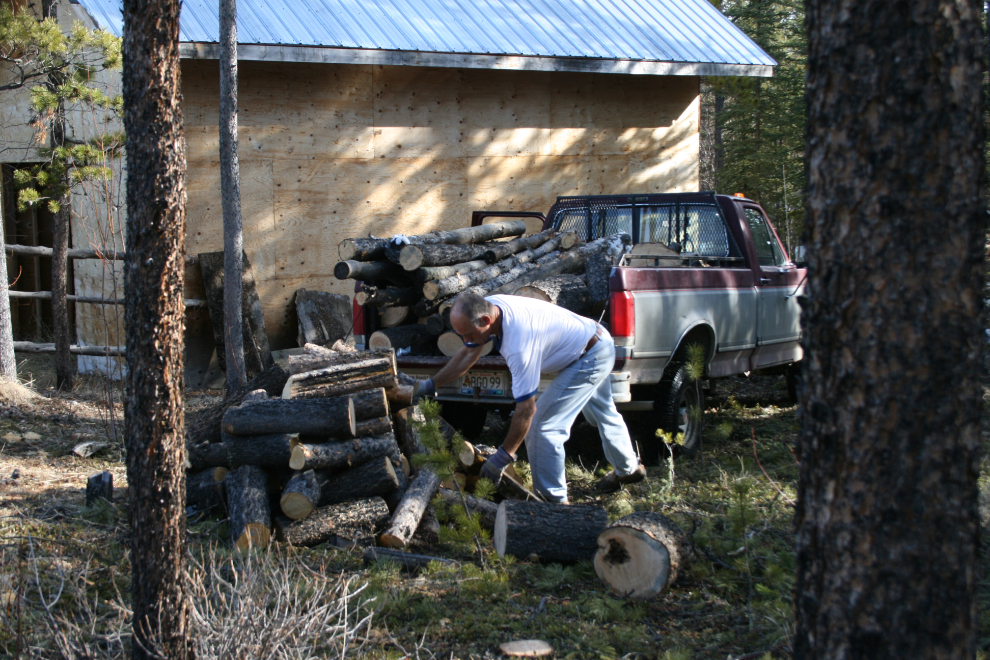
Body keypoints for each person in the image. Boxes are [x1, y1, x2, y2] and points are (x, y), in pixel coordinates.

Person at [413, 291, 645, 503]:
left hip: (590, 354)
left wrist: (503, 456)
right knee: (603, 410)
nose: (466, 341)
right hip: (592, 339)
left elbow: (526, 410)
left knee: (543, 427)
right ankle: (629, 469)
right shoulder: (490, 308)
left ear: (485, 321)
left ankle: (553, 504)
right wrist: (431, 384)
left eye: (468, 334)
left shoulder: (518, 345)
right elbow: (467, 352)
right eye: (461, 335)